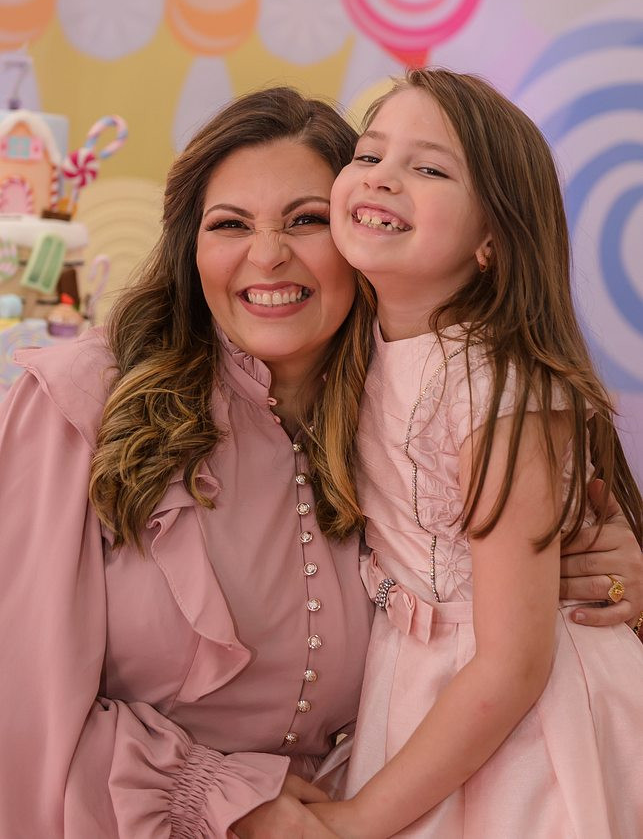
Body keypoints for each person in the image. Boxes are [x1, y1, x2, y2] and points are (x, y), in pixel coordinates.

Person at [0, 86, 639, 839]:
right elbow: (18, 699)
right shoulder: (81, 404)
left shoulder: (426, 394)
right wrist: (225, 800)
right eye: (229, 224)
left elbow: (514, 630)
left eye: (305, 220)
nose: (267, 255)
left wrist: (615, 580)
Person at [308, 69, 643, 838]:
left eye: (429, 169)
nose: (381, 177)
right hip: (423, 689)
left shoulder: (493, 388)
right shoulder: (363, 347)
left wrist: (357, 821)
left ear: (491, 239)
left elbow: (512, 662)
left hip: (519, 721)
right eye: (368, 155)